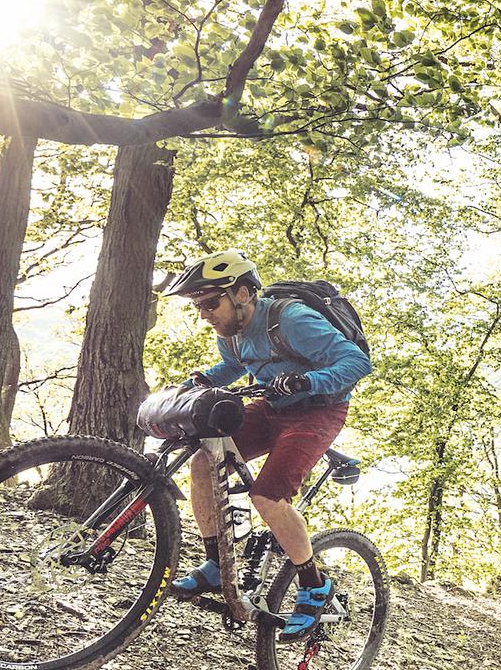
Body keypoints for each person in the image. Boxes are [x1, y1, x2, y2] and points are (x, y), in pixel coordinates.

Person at [157, 250, 371, 636]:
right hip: (271, 405)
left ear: (241, 293)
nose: (204, 314)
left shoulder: (292, 319)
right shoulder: (232, 333)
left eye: (209, 303)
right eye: (197, 306)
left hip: (317, 411)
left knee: (267, 497)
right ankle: (215, 563)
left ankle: (314, 586)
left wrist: (309, 381)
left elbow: (357, 362)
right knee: (205, 460)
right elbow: (233, 367)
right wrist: (201, 381)